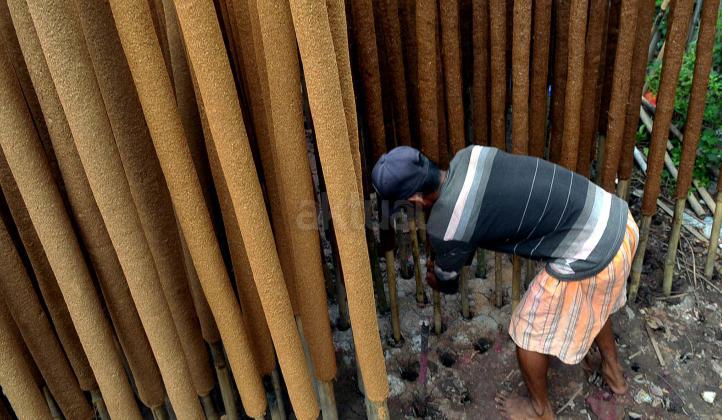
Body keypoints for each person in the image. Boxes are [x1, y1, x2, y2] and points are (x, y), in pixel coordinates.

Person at [372, 145, 638, 420]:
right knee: (590, 297)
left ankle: (539, 410)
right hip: (618, 221)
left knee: (527, 331)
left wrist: (438, 272)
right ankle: (614, 374)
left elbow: (447, 282)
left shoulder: (447, 224)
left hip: (594, 253)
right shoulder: (469, 155)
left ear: (415, 199)